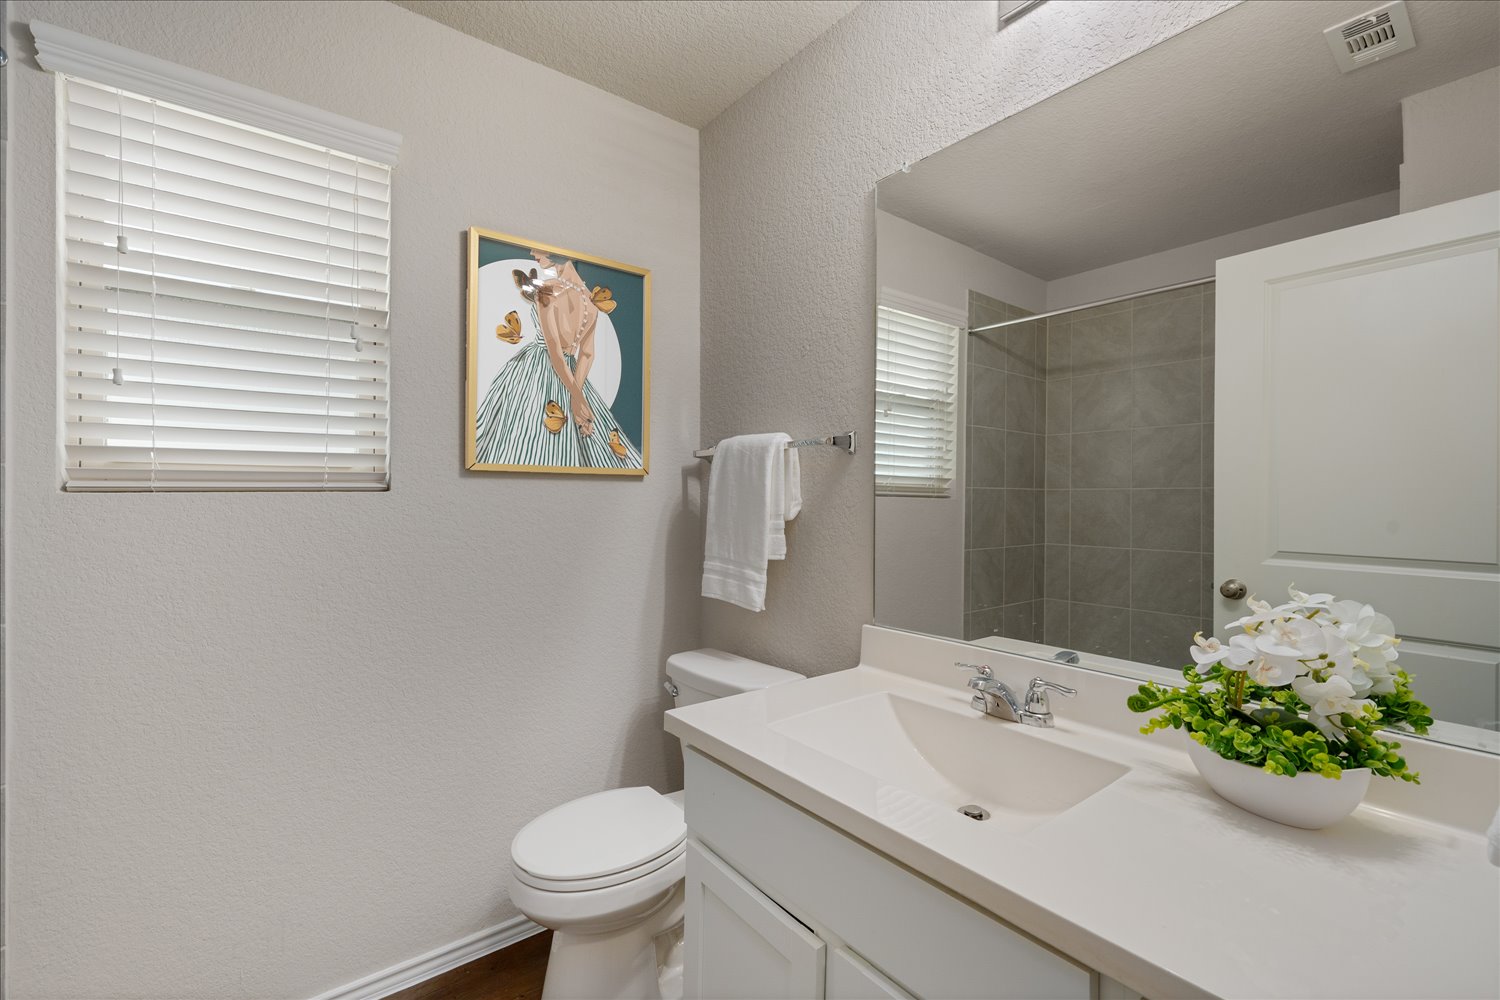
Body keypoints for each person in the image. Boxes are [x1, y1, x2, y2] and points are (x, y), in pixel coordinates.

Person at [474, 250, 641, 469]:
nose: (533, 252)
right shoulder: (591, 303)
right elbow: (587, 354)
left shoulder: (548, 290)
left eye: (539, 250)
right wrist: (577, 395)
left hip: (535, 369)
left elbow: (554, 352)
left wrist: (577, 399)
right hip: (572, 374)